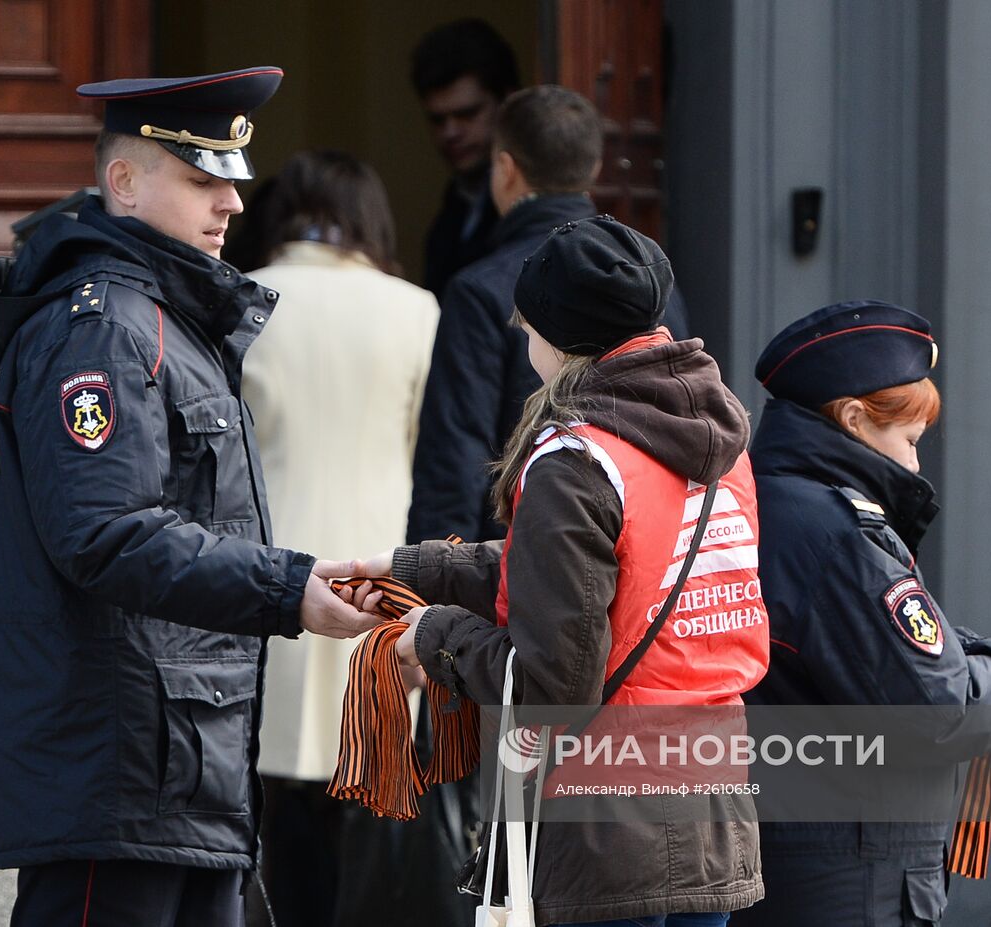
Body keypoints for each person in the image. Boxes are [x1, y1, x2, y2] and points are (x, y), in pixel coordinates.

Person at [0, 68, 381, 927]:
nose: (232, 201)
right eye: (202, 178)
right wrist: (285, 587)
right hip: (119, 780)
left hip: (182, 778)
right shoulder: (104, 327)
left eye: (233, 178)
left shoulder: (168, 320)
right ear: (122, 182)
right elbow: (104, 531)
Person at [351, 215, 768, 927]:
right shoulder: (713, 441)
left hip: (602, 835)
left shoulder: (575, 459)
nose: (522, 337)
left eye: (528, 324)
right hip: (710, 820)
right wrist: (419, 568)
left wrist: (432, 635)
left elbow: (552, 682)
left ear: (561, 336)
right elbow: (615, 578)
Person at [733, 300, 991, 927]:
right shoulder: (838, 534)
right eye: (908, 440)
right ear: (854, 419)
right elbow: (937, 711)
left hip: (783, 854)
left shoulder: (757, 501)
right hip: (850, 876)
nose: (914, 463)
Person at [227, 150, 440, 927]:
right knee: (372, 811)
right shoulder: (417, 310)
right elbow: (432, 453)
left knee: (270, 807)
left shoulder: (246, 304)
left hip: (269, 579)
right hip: (381, 583)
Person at [407, 85, 690, 546]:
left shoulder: (479, 290)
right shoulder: (656, 283)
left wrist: (428, 585)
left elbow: (455, 460)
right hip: (643, 550)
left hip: (522, 564)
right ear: (594, 169)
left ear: (505, 168)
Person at [410, 18, 520, 295]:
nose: (451, 132)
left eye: (467, 114)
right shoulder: (451, 213)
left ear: (507, 103)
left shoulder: (524, 206)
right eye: (437, 120)